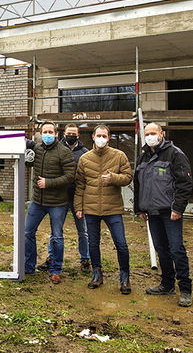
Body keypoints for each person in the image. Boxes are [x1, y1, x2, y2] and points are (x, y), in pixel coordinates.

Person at [135, 122, 193, 307]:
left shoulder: (175, 154)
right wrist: (139, 208)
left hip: (170, 213)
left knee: (177, 249)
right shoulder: (143, 156)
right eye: (147, 133)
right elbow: (138, 184)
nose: (150, 136)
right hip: (151, 213)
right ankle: (167, 284)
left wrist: (178, 208)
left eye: (153, 132)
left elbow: (184, 183)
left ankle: (185, 289)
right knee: (161, 249)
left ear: (162, 134)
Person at [75, 124, 133, 294]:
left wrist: (113, 178)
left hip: (112, 208)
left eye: (104, 136)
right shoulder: (85, 159)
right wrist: (79, 206)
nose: (101, 139)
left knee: (121, 243)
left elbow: (128, 177)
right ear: (93, 137)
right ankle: (97, 273)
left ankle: (124, 276)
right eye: (98, 135)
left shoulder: (119, 156)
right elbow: (80, 185)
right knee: (93, 243)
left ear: (108, 138)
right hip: (91, 209)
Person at [24, 121, 76, 284]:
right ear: (40, 133)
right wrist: (27, 159)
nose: (47, 134)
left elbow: (70, 176)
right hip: (37, 201)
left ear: (56, 134)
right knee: (27, 233)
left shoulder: (64, 152)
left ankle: (56, 270)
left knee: (57, 237)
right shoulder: (38, 149)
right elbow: (29, 162)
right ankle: (29, 266)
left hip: (58, 203)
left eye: (50, 132)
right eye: (44, 132)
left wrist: (49, 183)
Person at [37, 123, 91, 274]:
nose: (71, 136)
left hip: (77, 196)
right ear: (63, 134)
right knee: (56, 230)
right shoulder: (56, 149)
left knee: (82, 230)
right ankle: (51, 257)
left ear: (78, 135)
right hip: (59, 197)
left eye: (74, 133)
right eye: (68, 133)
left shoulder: (84, 153)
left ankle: (85, 258)